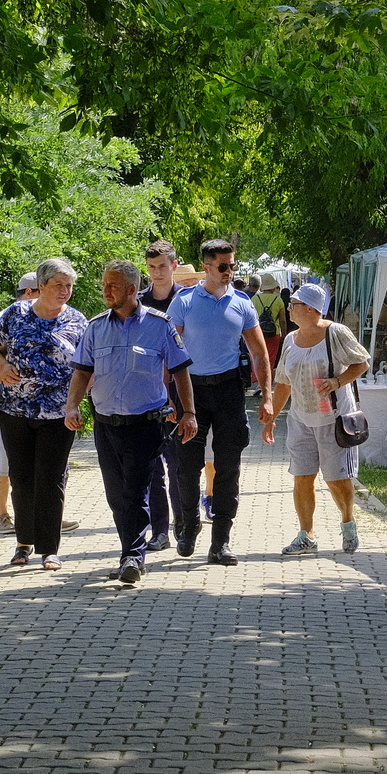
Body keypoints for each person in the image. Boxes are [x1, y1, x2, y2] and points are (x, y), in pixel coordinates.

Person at [65, 260, 195, 583]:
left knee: (136, 491)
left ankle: (133, 557)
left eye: (114, 285)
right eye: (105, 284)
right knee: (115, 494)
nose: (106, 290)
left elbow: (180, 371)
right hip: (106, 425)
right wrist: (72, 407)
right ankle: (129, 553)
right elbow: (82, 371)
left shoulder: (159, 325)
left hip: (145, 424)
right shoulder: (95, 328)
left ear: (133, 290)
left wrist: (189, 412)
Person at [167, 240, 271, 564]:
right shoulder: (183, 302)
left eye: (232, 266)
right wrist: (168, 399)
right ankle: (190, 522)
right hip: (190, 391)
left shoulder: (242, 303)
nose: (229, 272)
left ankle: (220, 542)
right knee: (187, 467)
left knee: (229, 467)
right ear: (207, 267)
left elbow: (258, 352)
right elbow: (169, 353)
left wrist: (267, 395)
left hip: (228, 391)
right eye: (223, 267)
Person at [0, 257, 87, 570]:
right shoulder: (14, 315)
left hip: (59, 414)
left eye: (69, 286)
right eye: (58, 285)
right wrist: (0, 366)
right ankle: (23, 544)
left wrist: (77, 404)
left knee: (51, 479)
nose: (64, 291)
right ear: (40, 286)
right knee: (22, 477)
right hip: (15, 411)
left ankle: (49, 549)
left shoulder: (78, 321)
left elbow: (87, 368)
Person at [259, 282, 370, 555]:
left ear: (310, 309)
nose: (289, 308)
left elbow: (362, 362)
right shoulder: (289, 340)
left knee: (336, 480)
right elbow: (284, 382)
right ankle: (306, 535)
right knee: (302, 477)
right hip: (301, 419)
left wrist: (337, 381)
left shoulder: (336, 333)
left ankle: (347, 523)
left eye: (293, 304)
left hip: (334, 419)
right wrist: (272, 416)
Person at [137, 240, 195, 555]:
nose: (156, 273)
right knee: (152, 467)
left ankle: (184, 522)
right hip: (145, 393)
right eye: (151, 267)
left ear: (174, 266)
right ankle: (159, 530)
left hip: (177, 391)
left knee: (178, 465)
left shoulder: (185, 300)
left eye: (162, 266)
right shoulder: (139, 301)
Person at [0, 272, 39, 535]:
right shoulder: (5, 317)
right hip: (6, 401)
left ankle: (43, 515)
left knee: (38, 465)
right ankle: (2, 517)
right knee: (2, 462)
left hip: (36, 404)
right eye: (43, 291)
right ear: (29, 293)